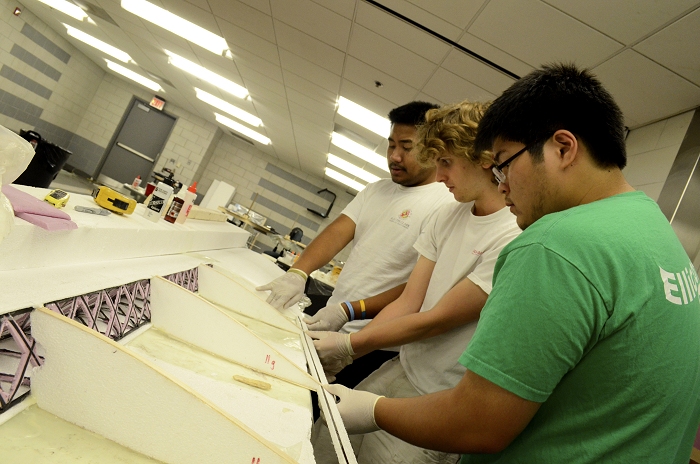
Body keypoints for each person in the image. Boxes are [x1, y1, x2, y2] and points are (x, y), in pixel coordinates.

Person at [325, 63, 700, 463]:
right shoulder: (656, 233)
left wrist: (372, 409)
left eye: (503, 163)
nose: (501, 183)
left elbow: (477, 422)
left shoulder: (557, 243)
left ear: (563, 148)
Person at [309, 100, 521, 463]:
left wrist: (349, 345)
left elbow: (436, 319)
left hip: (442, 394)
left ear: (484, 159)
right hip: (403, 367)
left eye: (446, 162)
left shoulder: (512, 235)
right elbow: (410, 301)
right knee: (325, 438)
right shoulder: (448, 216)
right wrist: (351, 350)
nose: (439, 176)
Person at [256, 101, 455, 387]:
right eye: (391, 145)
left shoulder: (445, 205)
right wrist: (298, 273)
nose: (395, 156)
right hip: (329, 323)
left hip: (373, 344)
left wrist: (350, 313)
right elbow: (337, 232)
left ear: (432, 149)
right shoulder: (376, 190)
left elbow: (419, 288)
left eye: (407, 147)